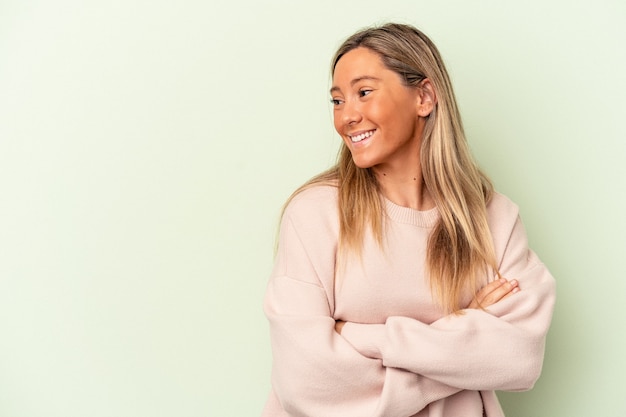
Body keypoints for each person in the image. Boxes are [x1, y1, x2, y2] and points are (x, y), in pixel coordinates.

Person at [262, 23, 556, 417]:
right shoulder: (315, 213)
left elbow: (519, 356)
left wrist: (357, 337)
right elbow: (306, 380)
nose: (346, 117)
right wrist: (466, 337)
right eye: (337, 101)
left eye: (363, 93)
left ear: (424, 96)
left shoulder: (492, 218)